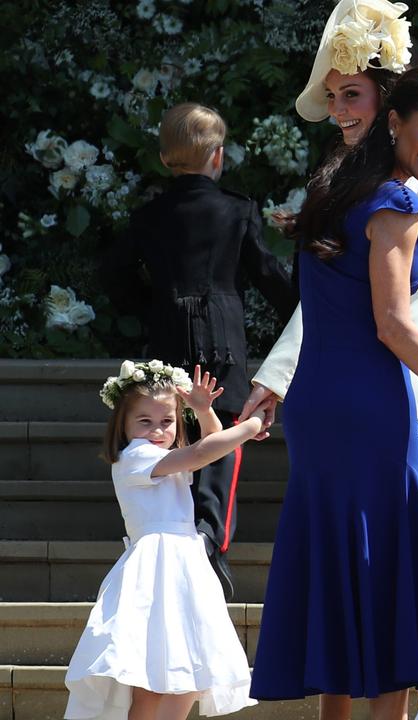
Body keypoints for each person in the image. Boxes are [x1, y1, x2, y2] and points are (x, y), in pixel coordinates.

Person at [248, 65, 418, 720]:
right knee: (389, 568)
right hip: (367, 403)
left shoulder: (335, 189)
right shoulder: (395, 202)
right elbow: (393, 324)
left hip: (319, 402)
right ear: (395, 123)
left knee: (345, 562)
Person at [241, 2, 418, 570]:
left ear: (389, 102)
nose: (338, 111)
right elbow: (339, 292)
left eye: (352, 94)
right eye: (333, 96)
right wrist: (278, 375)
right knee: (409, 546)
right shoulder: (361, 179)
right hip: (394, 358)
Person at [102, 102, 296, 598]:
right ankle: (211, 536)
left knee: (172, 435)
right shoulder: (237, 208)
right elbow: (269, 276)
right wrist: (305, 308)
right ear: (217, 155)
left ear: (168, 157)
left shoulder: (149, 214)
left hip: (167, 339)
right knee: (222, 439)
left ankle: (185, 532)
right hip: (223, 341)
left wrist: (149, 308)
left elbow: (115, 276)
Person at [64, 361, 265, 720]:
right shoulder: (135, 457)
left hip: (184, 566)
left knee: (189, 670)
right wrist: (250, 427)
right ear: (123, 426)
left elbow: (210, 444)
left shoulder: (163, 456)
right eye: (145, 422)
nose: (157, 431)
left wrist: (203, 411)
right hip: (156, 569)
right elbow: (205, 451)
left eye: (167, 421)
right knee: (151, 675)